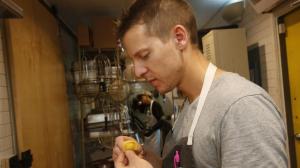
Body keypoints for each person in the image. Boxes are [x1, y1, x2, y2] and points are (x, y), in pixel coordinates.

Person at [113, 0, 288, 167]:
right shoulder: (190, 106)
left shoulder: (241, 107)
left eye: (144, 55)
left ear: (179, 38)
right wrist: (151, 162)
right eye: (133, 60)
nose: (138, 72)